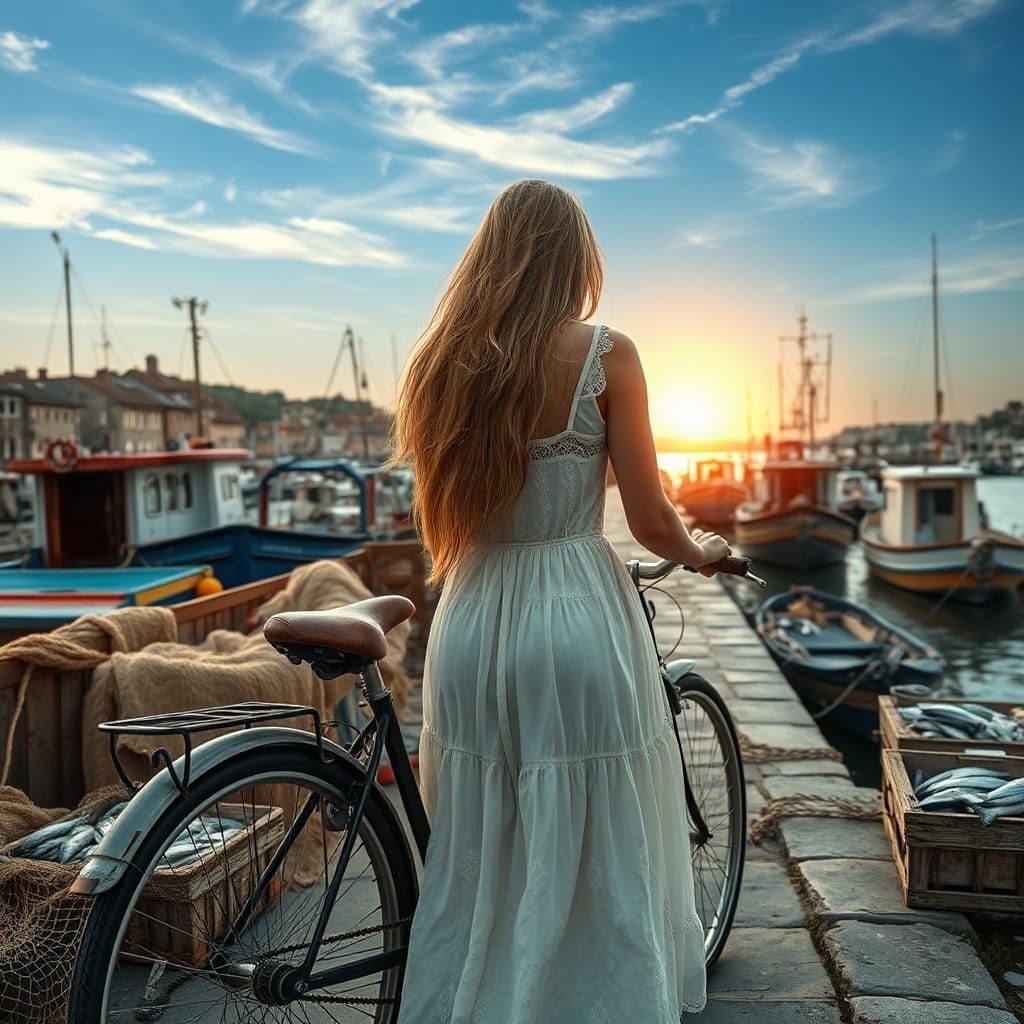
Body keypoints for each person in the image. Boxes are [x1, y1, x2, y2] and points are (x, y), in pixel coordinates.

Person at [391, 179, 727, 1022]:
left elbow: (444, 518)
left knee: (485, 830)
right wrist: (702, 551)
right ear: (576, 258)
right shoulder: (608, 353)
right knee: (596, 822)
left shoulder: (440, 363)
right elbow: (650, 521)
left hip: (470, 617)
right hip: (573, 608)